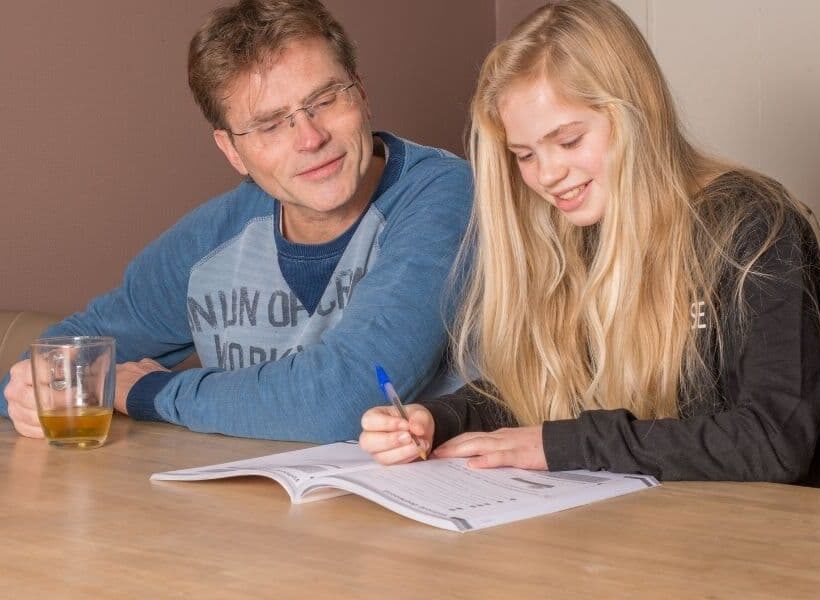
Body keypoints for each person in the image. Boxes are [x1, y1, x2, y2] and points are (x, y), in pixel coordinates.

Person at [359, 0, 820, 485]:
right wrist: (440, 419)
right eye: (525, 155)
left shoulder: (757, 227)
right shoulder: (570, 232)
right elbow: (535, 394)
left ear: (636, 116)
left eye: (569, 141)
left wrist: (560, 444)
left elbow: (775, 440)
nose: (548, 176)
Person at [1, 0, 472, 442]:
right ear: (232, 151)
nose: (310, 138)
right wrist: (26, 396)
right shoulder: (214, 238)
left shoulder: (445, 195)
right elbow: (55, 361)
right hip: (254, 497)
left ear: (361, 94)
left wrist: (148, 393)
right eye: (270, 124)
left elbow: (346, 395)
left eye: (326, 100)